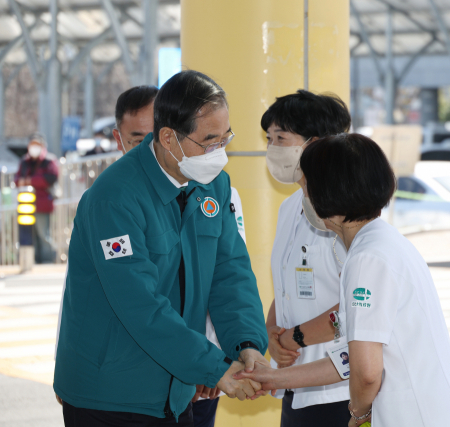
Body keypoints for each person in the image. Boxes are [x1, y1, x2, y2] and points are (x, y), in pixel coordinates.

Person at [54, 70, 268, 426]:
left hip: (174, 392)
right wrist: (215, 368)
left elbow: (230, 273)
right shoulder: (115, 199)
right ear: (168, 137)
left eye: (225, 138)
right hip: (110, 396)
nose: (219, 153)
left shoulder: (212, 184)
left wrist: (247, 345)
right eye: (209, 141)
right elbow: (140, 305)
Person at [236, 133, 450, 427]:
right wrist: (274, 378)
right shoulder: (383, 242)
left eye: (305, 184)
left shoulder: (366, 259)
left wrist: (358, 414)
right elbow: (350, 357)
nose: (302, 194)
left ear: (328, 192)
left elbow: (367, 373)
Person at [262, 90, 351, 427]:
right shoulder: (290, 207)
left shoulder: (346, 213)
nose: (272, 148)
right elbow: (286, 285)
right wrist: (272, 332)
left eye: (281, 137)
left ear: (314, 144)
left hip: (338, 390)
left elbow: (354, 307)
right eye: (269, 138)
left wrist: (293, 338)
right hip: (295, 385)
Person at [14, 133, 59, 263]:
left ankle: (47, 261)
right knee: (29, 236)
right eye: (32, 145)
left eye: (37, 145)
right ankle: (31, 262)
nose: (34, 148)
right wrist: (33, 181)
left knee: (43, 235)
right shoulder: (24, 161)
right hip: (25, 205)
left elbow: (50, 178)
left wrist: (28, 180)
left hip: (42, 204)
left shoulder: (49, 161)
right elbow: (16, 180)